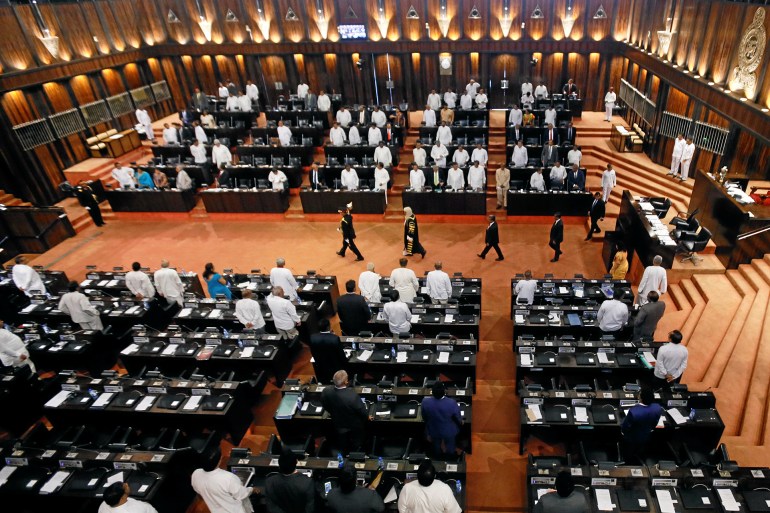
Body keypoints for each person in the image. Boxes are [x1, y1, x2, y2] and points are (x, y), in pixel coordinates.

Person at [192, 449, 257, 513]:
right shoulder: (228, 478)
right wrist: (252, 489)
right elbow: (241, 494)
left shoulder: (195, 474)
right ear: (220, 460)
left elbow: (198, 490)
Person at [322, 370, 369, 455]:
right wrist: (368, 417)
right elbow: (362, 412)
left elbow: (325, 405)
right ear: (346, 381)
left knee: (343, 441)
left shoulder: (326, 391)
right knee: (357, 440)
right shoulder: (352, 396)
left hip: (338, 423)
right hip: (354, 426)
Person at [398, 459, 462, 513]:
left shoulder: (407, 488)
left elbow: (402, 510)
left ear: (417, 475)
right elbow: (455, 511)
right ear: (434, 476)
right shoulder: (445, 489)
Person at [620, 388, 664, 463]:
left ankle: (628, 460)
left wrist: (623, 431)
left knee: (629, 451)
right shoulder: (657, 407)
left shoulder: (634, 412)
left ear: (640, 397)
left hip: (632, 437)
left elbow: (625, 426)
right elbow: (655, 422)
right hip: (646, 435)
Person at [422, 382, 463, 459]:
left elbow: (424, 417)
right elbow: (458, 419)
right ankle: (450, 460)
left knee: (436, 450)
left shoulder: (425, 402)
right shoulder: (452, 403)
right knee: (450, 450)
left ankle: (438, 460)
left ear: (432, 391)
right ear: (444, 391)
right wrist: (461, 422)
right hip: (449, 432)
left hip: (433, 431)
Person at [309, 318, 347, 384]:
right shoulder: (334, 338)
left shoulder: (312, 338)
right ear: (328, 327)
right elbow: (341, 354)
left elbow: (313, 352)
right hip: (335, 366)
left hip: (321, 366)